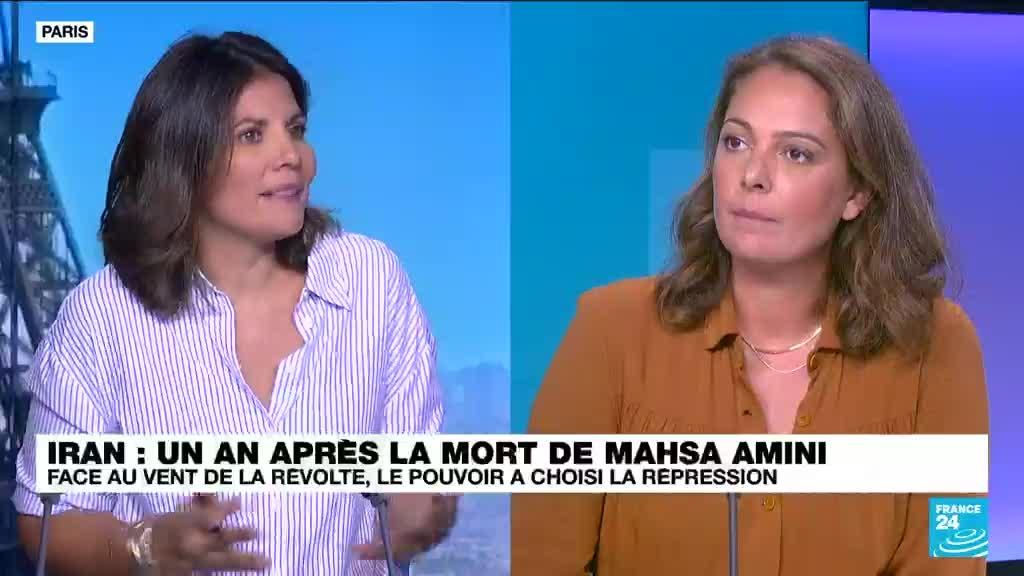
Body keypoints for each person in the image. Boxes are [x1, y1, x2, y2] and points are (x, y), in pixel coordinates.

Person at [511, 35, 988, 576]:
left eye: (796, 153)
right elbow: (538, 559)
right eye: (736, 142)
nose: (752, 175)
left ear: (857, 193)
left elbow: (954, 554)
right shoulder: (609, 330)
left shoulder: (940, 344)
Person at [13, 31, 457, 575]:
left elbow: (420, 478)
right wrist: (148, 546)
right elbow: (47, 520)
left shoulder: (373, 279)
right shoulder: (101, 317)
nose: (291, 156)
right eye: (252, 135)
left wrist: (425, 507)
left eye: (296, 130)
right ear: (183, 160)